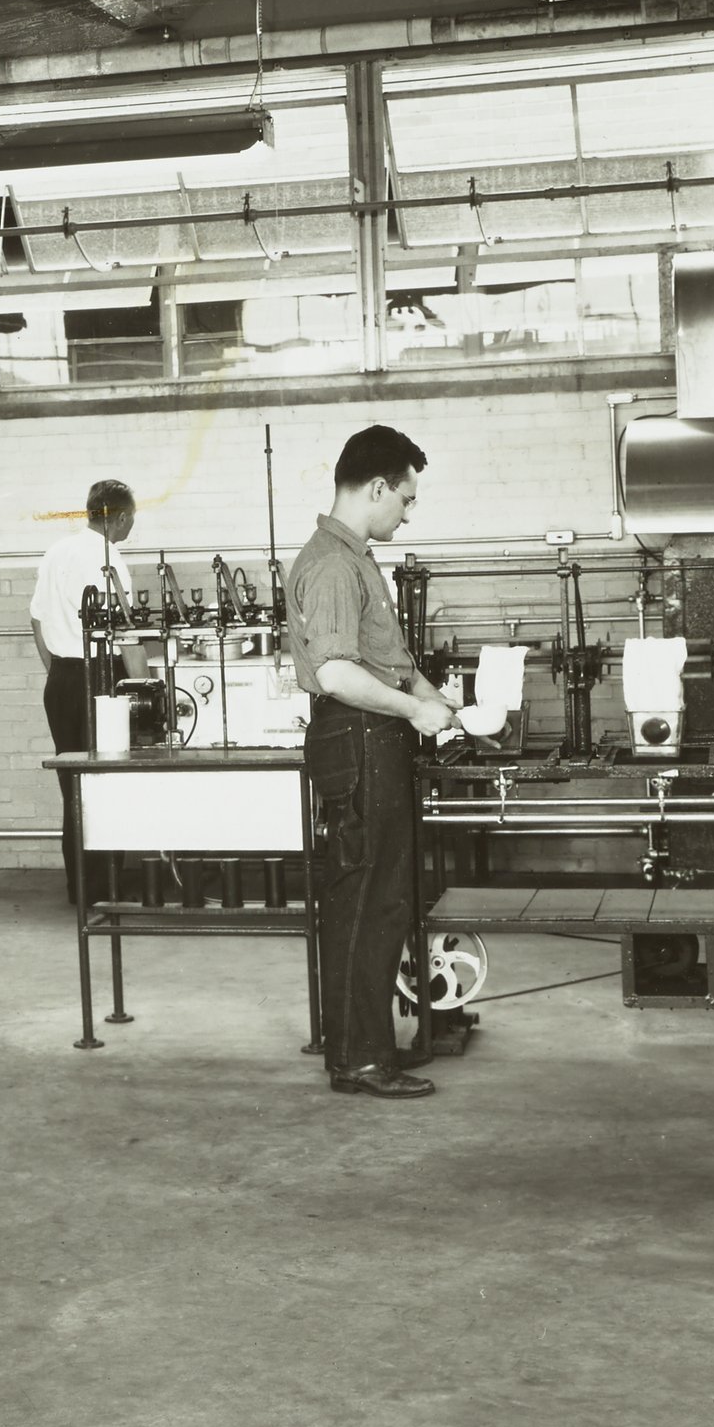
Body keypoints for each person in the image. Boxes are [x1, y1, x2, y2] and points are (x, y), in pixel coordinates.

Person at [288, 426, 462, 1100]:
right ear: (378, 487)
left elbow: (385, 659)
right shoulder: (335, 564)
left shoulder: (353, 559)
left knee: (380, 897)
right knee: (367, 900)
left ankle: (364, 1048)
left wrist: (430, 697)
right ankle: (360, 1058)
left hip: (372, 736)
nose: (408, 514)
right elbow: (336, 673)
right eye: (406, 500)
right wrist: (415, 710)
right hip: (359, 737)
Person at [28, 478, 135, 903]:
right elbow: (127, 634)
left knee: (74, 788)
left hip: (63, 681)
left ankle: (81, 889)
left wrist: (59, 673)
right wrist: (150, 689)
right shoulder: (110, 559)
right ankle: (105, 886)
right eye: (131, 519)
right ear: (120, 517)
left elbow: (36, 620)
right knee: (106, 787)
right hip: (102, 680)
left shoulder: (56, 551)